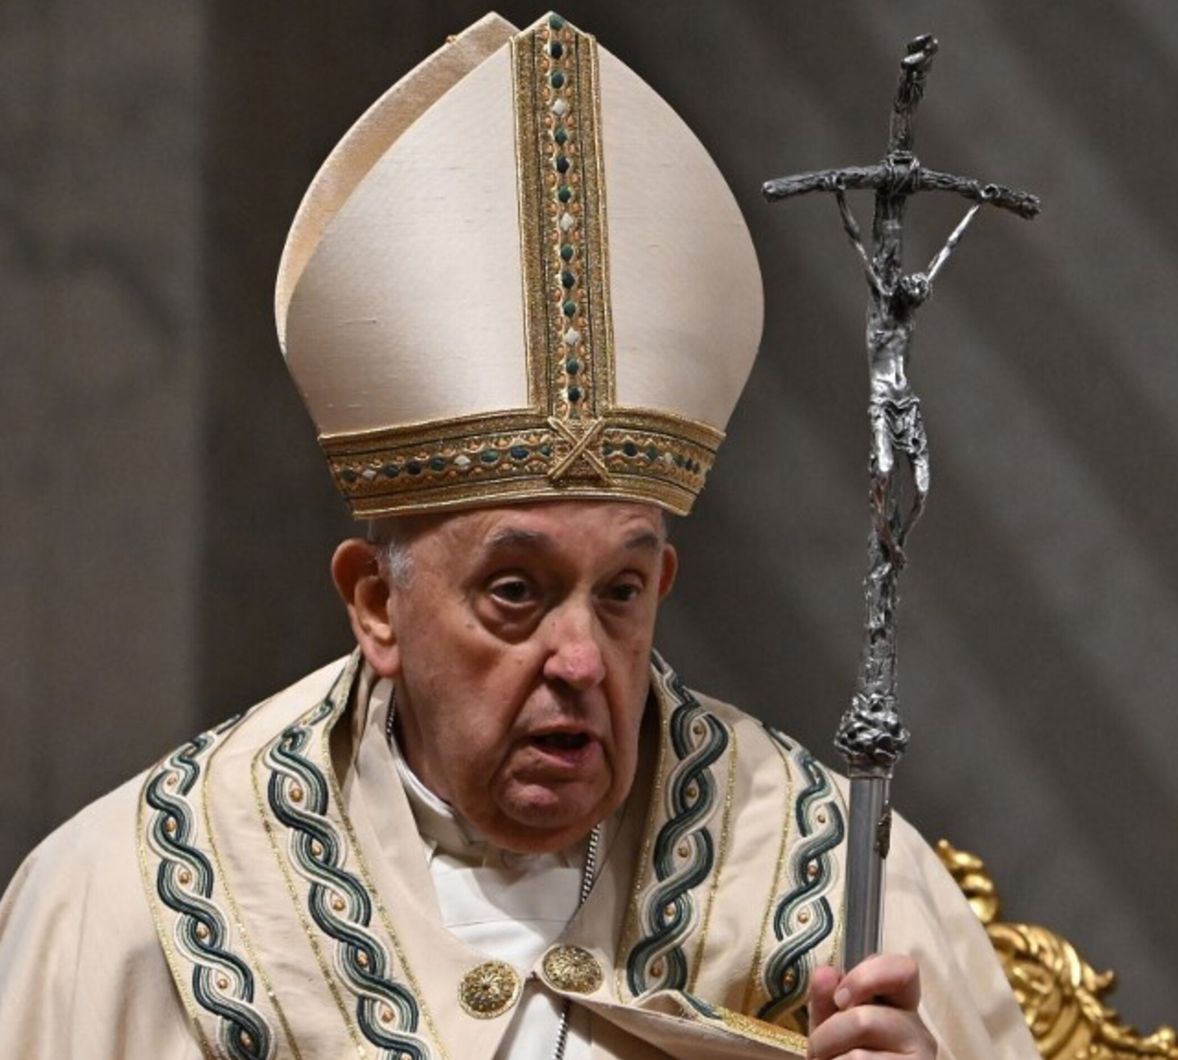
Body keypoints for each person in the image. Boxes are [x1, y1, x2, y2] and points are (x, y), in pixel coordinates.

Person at [0, 12, 1041, 1059]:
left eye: (622, 592)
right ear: (376, 601)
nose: (583, 661)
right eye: (514, 591)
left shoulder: (836, 881)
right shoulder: (137, 904)